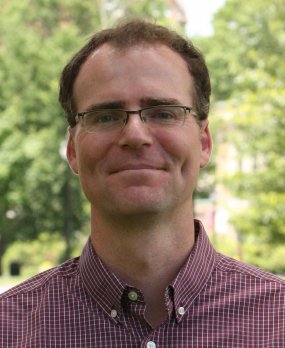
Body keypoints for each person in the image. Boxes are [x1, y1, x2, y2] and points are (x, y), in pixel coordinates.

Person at [0, 19, 284, 348]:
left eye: (163, 112)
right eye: (105, 116)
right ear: (72, 150)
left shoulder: (276, 320)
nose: (134, 135)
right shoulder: (9, 330)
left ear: (204, 142)